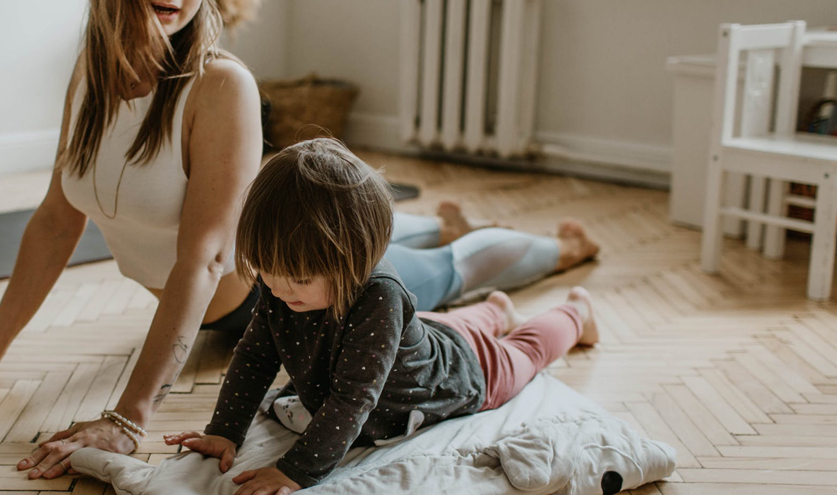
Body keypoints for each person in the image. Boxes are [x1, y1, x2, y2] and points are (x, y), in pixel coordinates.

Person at [0, 0, 597, 480]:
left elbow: (202, 260)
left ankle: (558, 254)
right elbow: (54, 221)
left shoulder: (219, 86)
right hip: (266, 281)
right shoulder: (91, 75)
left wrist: (128, 417)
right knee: (415, 251)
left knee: (443, 269)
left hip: (297, 292)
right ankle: (448, 244)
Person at [164, 139, 598, 494]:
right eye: (266, 269)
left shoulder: (380, 297)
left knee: (525, 350)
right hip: (427, 336)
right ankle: (495, 309)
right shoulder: (283, 286)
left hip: (463, 372)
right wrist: (224, 430)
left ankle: (576, 312)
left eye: (295, 277)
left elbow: (353, 400)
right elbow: (255, 357)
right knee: (448, 329)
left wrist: (295, 471)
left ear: (353, 258)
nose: (277, 288)